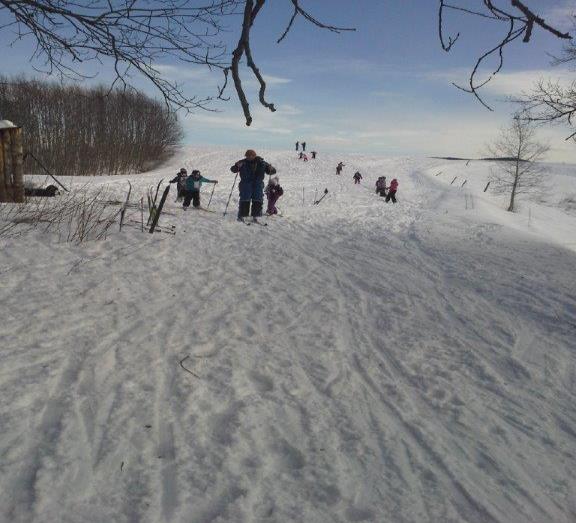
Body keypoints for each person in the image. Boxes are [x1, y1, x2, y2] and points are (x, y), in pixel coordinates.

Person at [230, 149, 277, 222]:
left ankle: (256, 216)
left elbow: (272, 171)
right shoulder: (242, 162)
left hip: (258, 185)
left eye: (251, 155)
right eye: (248, 155)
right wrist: (237, 166)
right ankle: (242, 215)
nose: (249, 157)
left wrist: (271, 168)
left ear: (255, 155)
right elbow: (233, 169)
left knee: (257, 200)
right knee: (245, 200)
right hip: (246, 185)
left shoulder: (262, 163)